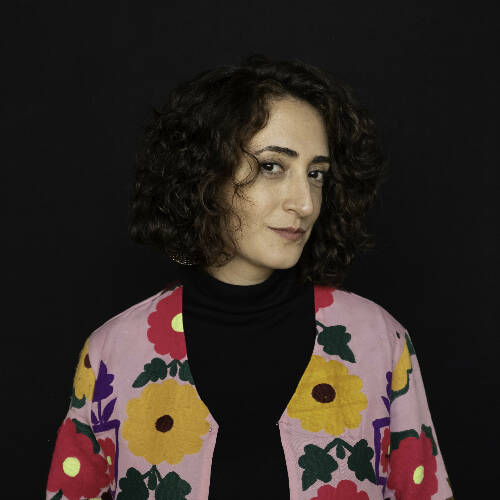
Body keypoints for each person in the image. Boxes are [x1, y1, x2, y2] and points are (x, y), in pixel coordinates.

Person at [45, 54, 455, 500]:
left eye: (316, 174)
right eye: (272, 166)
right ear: (205, 173)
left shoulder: (380, 341)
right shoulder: (111, 354)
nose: (305, 202)